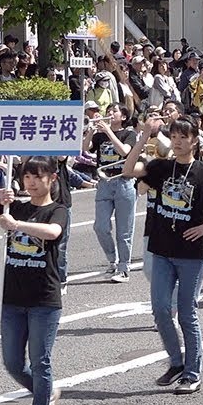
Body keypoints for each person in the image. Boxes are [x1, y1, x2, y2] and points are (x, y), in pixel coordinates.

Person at [123, 114, 203, 394]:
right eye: (174, 137)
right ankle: (176, 363)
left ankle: (192, 372)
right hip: (162, 249)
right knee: (161, 310)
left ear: (194, 141)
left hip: (191, 253)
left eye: (183, 138)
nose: (177, 142)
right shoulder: (162, 168)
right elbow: (130, 170)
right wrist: (144, 135)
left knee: (187, 314)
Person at [0, 157, 67, 405]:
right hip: (12, 297)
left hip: (44, 298)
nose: (31, 183)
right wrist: (0, 196)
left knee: (40, 361)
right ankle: (47, 391)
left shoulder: (57, 210)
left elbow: (53, 232)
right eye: (27, 177)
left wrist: (18, 225)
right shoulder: (15, 205)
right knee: (13, 362)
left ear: (51, 178)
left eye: (37, 177)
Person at [84, 104, 137, 282]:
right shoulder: (100, 136)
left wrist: (108, 131)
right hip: (104, 182)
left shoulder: (129, 134)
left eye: (114, 111)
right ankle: (111, 260)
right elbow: (84, 148)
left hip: (124, 182)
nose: (109, 114)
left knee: (124, 230)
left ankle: (124, 268)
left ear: (123, 116)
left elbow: (124, 151)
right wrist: (91, 131)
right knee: (100, 226)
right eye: (108, 111)